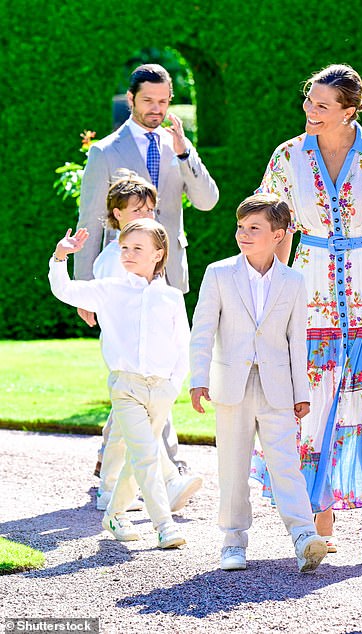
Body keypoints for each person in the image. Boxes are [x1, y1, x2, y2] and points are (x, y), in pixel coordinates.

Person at [256, 64, 362, 561]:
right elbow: (276, 229)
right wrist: (273, 295)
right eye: (308, 100)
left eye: (322, 106)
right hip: (312, 291)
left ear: (350, 111)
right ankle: (316, 525)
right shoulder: (288, 157)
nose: (310, 110)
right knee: (315, 406)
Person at [75, 63, 219, 474]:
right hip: (121, 275)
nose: (156, 108)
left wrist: (185, 152)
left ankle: (110, 455)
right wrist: (86, 288)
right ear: (132, 100)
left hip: (168, 272)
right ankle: (167, 464)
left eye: (163, 100)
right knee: (136, 367)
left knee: (157, 364)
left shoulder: (179, 145)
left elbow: (207, 200)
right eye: (148, 101)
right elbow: (89, 220)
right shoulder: (105, 151)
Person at [189, 193, 328, 573]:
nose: (243, 235)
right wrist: (198, 379)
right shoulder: (218, 274)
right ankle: (233, 540)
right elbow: (202, 331)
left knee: (286, 464)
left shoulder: (293, 281)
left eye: (254, 228)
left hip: (278, 387)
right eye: (240, 227)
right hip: (231, 386)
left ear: (279, 235)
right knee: (232, 464)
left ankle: (304, 537)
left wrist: (302, 393)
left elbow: (297, 340)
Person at [49, 218, 190, 549]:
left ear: (158, 254)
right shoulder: (109, 289)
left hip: (161, 390)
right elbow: (65, 290)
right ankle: (164, 525)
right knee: (145, 455)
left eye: (137, 248)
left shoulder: (171, 297)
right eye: (124, 247)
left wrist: (173, 386)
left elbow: (182, 345)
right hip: (125, 387)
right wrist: (59, 258)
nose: (127, 253)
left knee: (138, 455)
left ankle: (115, 514)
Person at [93, 172, 203, 515]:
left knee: (128, 428)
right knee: (139, 424)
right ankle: (165, 482)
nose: (147, 216)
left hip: (149, 357)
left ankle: (109, 489)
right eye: (138, 209)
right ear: (117, 214)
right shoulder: (114, 258)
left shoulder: (149, 249)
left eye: (151, 210)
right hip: (128, 359)